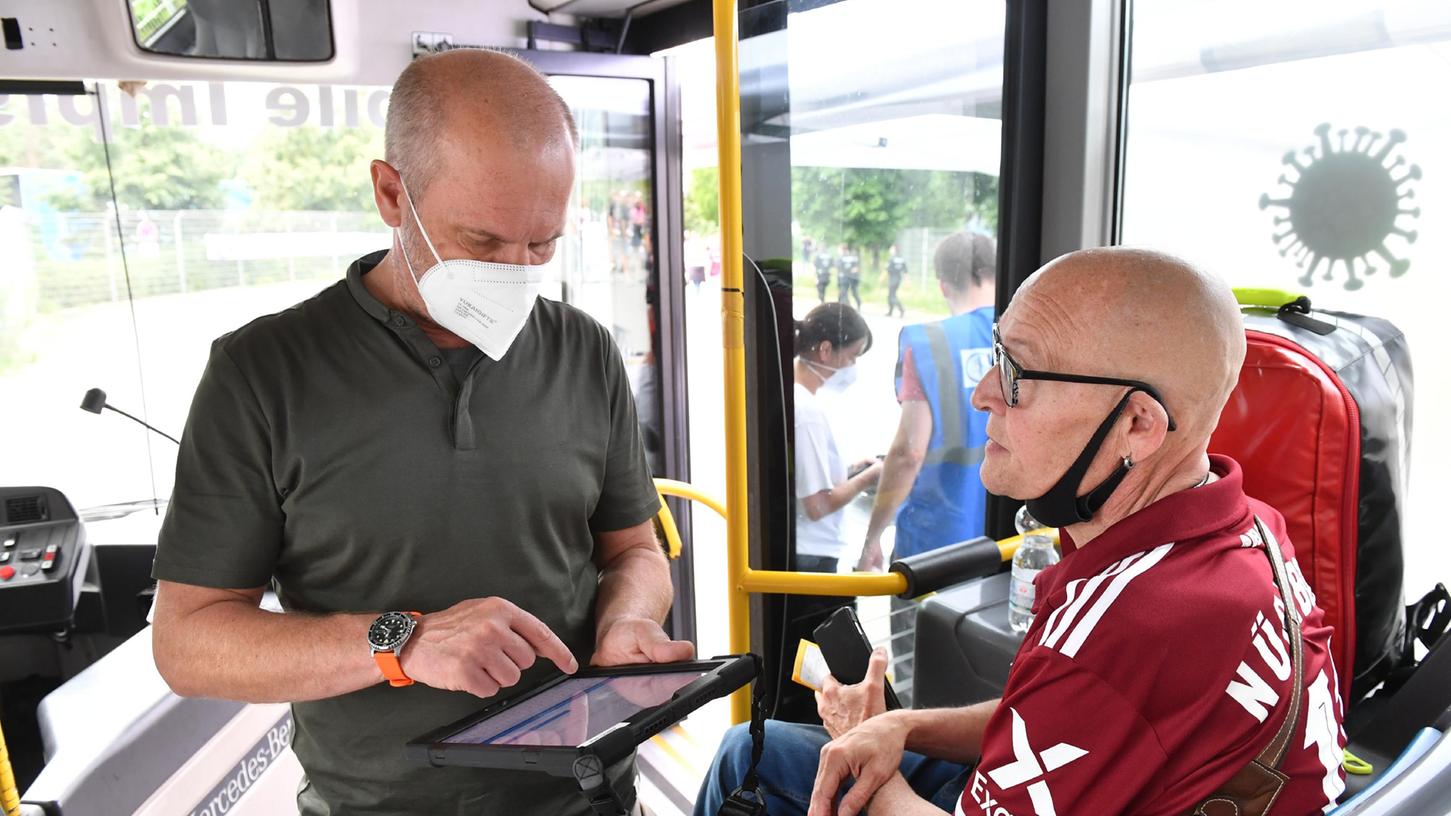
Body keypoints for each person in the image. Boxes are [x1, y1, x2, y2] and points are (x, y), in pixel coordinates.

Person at [149, 50, 692, 816]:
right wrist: (399, 639)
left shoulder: (583, 349)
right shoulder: (262, 373)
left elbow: (634, 550)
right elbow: (188, 643)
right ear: (390, 193)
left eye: (541, 244)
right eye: (482, 242)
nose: (516, 271)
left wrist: (628, 618)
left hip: (592, 792)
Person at [697, 248, 1347, 816]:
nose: (983, 394)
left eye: (1015, 372)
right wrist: (899, 725)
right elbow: (1057, 721)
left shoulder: (1133, 622)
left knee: (746, 761)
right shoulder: (1245, 526)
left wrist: (864, 746)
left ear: (1137, 427)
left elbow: (1093, 688)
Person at [856, 232, 995, 697]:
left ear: (941, 284)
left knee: (924, 685)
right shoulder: (1027, 335)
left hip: (934, 549)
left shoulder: (928, 343)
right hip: (1008, 545)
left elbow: (909, 452)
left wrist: (873, 538)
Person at [793, 303, 883, 573]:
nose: (852, 367)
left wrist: (850, 472)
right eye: (853, 356)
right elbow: (817, 506)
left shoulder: (795, 396)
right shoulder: (806, 411)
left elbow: (804, 479)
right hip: (813, 554)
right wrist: (870, 475)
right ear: (825, 350)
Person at [883, 244, 908, 317]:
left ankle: (901, 309)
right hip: (898, 279)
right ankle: (890, 311)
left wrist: (881, 279)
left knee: (892, 296)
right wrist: (907, 281)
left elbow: (886, 270)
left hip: (892, 278)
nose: (890, 250)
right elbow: (905, 271)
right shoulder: (901, 258)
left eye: (891, 248)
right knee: (890, 295)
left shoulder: (892, 258)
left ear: (894, 250)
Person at [836, 244, 862, 310]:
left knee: (843, 292)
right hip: (853, 277)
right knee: (854, 291)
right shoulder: (854, 256)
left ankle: (846, 306)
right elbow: (857, 267)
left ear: (842, 250)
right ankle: (858, 303)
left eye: (839, 250)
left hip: (845, 278)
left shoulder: (841, 257)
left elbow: (838, 267)